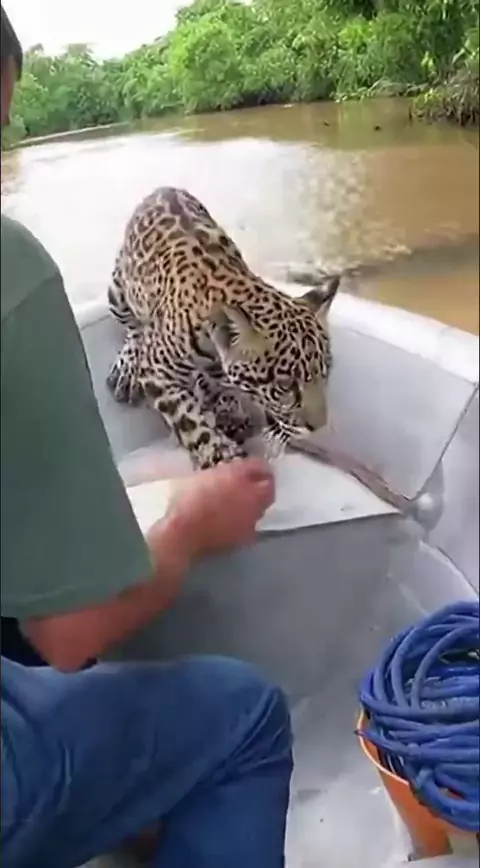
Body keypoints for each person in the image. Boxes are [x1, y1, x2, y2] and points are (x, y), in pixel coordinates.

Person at [0, 8, 293, 867]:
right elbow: (69, 634)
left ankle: (119, 797)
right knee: (246, 717)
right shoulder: (13, 273)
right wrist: (193, 522)